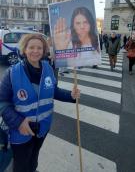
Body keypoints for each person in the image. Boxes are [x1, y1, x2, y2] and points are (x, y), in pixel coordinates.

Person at [0, 33, 80, 172]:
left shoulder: (48, 68)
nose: (35, 51)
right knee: (21, 165)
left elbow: (53, 91)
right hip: (20, 130)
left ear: (44, 51)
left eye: (39, 48)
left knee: (33, 160)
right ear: (25, 50)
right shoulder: (12, 73)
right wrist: (18, 122)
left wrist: (71, 96)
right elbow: (2, 101)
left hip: (43, 127)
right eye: (31, 47)